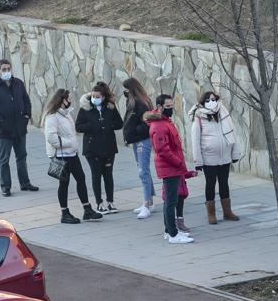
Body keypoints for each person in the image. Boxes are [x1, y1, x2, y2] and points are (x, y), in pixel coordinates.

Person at [43, 89, 101, 224]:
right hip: (62, 155)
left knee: (81, 178)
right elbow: (51, 137)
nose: (70, 101)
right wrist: (68, 143)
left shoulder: (65, 114)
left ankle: (87, 209)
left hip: (71, 154)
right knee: (64, 183)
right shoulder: (52, 116)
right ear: (62, 100)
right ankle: (65, 213)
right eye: (68, 98)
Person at [187, 90, 242, 224]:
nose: (211, 102)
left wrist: (234, 154)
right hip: (209, 158)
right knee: (210, 184)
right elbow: (195, 140)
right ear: (202, 102)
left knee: (224, 183)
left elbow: (232, 133)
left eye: (213, 99)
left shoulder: (223, 113)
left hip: (224, 156)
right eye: (208, 100)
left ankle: (227, 212)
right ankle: (211, 214)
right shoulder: (198, 116)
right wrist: (198, 161)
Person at [0, 59, 36, 196]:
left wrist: (26, 116)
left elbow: (26, 100)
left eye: (8, 69)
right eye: (4, 69)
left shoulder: (18, 83)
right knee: (4, 159)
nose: (7, 72)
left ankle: (25, 183)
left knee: (22, 156)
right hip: (4, 129)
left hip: (20, 127)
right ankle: (5, 186)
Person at [147, 94, 193, 244]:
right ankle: (173, 234)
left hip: (172, 167)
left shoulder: (164, 122)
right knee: (171, 201)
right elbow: (163, 150)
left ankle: (169, 231)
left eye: (172, 106)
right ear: (160, 107)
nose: (171, 109)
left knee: (171, 200)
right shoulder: (159, 125)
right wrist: (178, 163)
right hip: (170, 168)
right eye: (168, 107)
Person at [75, 81, 123, 213]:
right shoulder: (85, 109)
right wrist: (91, 126)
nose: (95, 99)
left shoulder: (110, 108)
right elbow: (78, 126)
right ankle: (99, 203)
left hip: (108, 147)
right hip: (92, 148)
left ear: (103, 97)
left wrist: (109, 123)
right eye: (93, 96)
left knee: (108, 175)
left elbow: (119, 124)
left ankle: (110, 202)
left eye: (98, 96)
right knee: (96, 175)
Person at [123, 77, 156, 219]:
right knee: (143, 170)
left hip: (142, 140)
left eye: (126, 89)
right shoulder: (131, 102)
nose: (124, 91)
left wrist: (135, 131)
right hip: (136, 140)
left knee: (143, 171)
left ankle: (146, 204)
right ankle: (150, 201)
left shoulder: (141, 104)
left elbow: (147, 123)